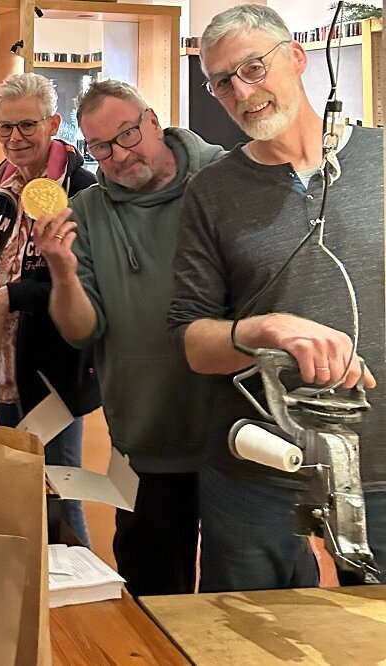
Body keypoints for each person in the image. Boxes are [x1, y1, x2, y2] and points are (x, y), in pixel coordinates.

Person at [168, 4, 385, 592]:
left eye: (253, 67)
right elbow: (191, 340)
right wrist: (264, 329)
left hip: (381, 466)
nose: (242, 91)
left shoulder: (380, 161)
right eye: (222, 81)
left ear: (295, 57)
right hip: (256, 468)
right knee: (245, 641)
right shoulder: (210, 192)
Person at [33, 80, 224, 596]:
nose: (118, 154)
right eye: (101, 146)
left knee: (249, 597)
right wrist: (63, 272)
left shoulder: (225, 178)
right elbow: (81, 331)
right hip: (145, 437)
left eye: (127, 134)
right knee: (152, 592)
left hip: (236, 435)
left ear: (153, 121)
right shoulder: (88, 212)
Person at [0, 72, 100, 546]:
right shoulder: (6, 187)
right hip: (6, 364)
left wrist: (15, 295)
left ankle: (79, 606)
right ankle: (28, 598)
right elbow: (2, 258)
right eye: (5, 128)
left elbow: (84, 281)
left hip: (55, 370)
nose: (15, 138)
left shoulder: (81, 188)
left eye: (27, 126)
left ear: (54, 123)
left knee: (59, 492)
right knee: (18, 491)